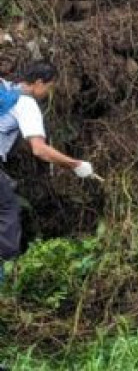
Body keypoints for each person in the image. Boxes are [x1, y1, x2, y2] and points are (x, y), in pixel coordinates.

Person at [1, 62, 95, 283]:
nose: (49, 93)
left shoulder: (5, 88)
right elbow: (40, 150)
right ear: (39, 83)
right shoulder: (25, 104)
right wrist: (76, 165)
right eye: (50, 87)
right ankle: (3, 276)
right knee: (7, 209)